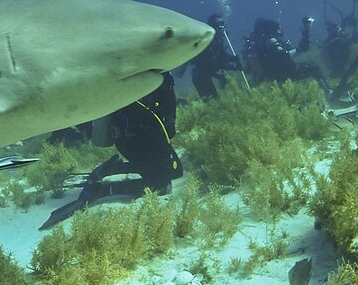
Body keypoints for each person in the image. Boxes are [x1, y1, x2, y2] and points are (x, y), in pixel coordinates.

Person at [70, 71, 183, 205]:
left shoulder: (161, 74)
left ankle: (113, 168)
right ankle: (102, 190)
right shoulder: (136, 73)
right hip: (132, 137)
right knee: (161, 185)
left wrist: (170, 122)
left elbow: (168, 92)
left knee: (176, 171)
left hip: (151, 133)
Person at [243, 16, 330, 90]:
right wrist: (298, 49)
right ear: (273, 30)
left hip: (273, 75)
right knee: (314, 68)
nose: (280, 31)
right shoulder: (271, 41)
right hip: (284, 73)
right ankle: (328, 91)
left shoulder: (262, 43)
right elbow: (284, 56)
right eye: (278, 29)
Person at [190, 13, 244, 99]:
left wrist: (233, 58)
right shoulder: (207, 42)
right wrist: (233, 67)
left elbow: (222, 56)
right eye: (219, 24)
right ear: (213, 27)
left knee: (215, 98)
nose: (222, 27)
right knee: (210, 99)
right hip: (201, 77)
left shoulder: (218, 40)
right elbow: (216, 63)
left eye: (223, 24)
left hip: (208, 74)